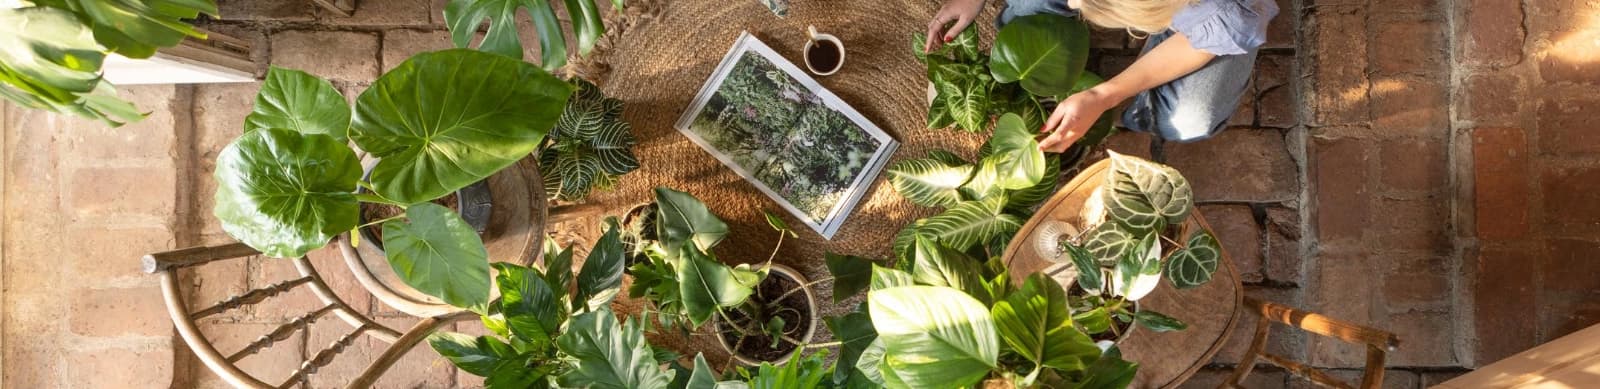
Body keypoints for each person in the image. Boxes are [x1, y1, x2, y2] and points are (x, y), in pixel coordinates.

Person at [925, 0, 1279, 152]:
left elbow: (1199, 41)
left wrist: (1105, 95)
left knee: (1187, 119)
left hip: (1207, 10)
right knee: (1026, 20)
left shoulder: (1226, 9)